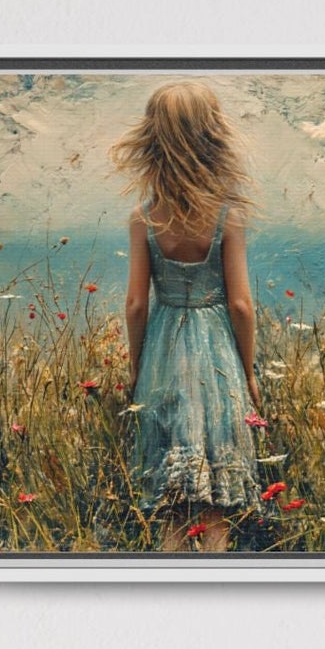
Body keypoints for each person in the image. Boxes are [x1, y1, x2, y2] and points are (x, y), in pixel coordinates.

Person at [110, 80, 261, 551]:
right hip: (216, 352)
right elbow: (240, 305)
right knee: (213, 495)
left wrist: (137, 366)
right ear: (210, 137)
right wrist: (249, 371)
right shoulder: (227, 215)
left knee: (174, 496)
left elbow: (136, 304)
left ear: (155, 140)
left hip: (164, 351)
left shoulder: (144, 217)